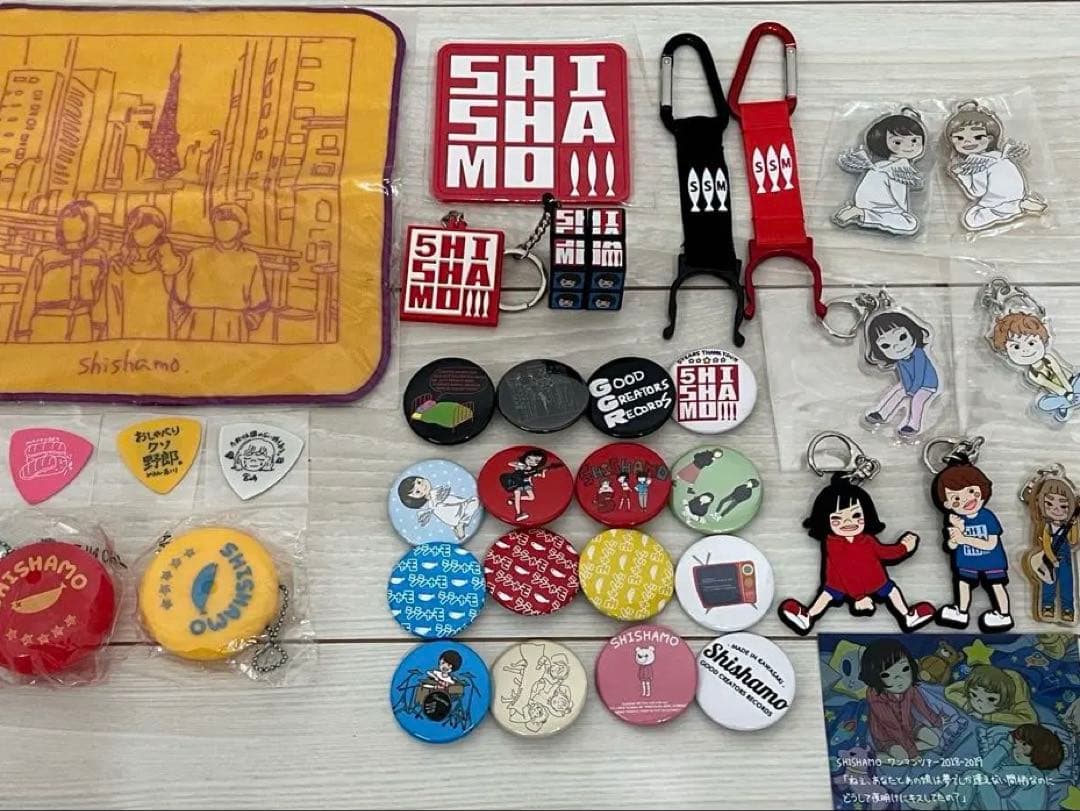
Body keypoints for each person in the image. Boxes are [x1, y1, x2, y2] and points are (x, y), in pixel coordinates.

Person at [778, 474, 935, 634]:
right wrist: (858, 597)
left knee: (892, 591)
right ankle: (808, 616)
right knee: (826, 595)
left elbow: (884, 553)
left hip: (875, 581)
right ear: (825, 520)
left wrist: (903, 548)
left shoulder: (867, 540)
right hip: (841, 584)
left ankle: (907, 615)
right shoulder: (832, 544)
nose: (848, 522)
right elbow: (843, 569)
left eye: (856, 515)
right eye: (837, 518)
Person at [931, 463, 1013, 631]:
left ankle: (1004, 615)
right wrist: (956, 537)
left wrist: (964, 538)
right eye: (956, 498)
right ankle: (961, 611)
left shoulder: (987, 516)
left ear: (982, 489)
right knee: (963, 584)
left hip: (992, 562)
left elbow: (991, 544)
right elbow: (951, 545)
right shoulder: (956, 520)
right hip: (967, 562)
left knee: (996, 586)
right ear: (947, 504)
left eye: (970, 491)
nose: (966, 500)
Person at [15, 200, 108, 343]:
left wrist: (99, 329)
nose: (69, 229)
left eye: (76, 225)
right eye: (66, 225)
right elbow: (29, 298)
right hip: (46, 324)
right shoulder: (45, 257)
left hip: (82, 326)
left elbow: (99, 299)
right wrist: (22, 332)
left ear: (89, 228)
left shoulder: (98, 257)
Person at [944, 102, 1046, 231]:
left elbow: (977, 192)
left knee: (971, 218)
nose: (968, 141)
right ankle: (1020, 203)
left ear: (990, 138)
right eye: (960, 138)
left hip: (998, 201)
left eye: (977, 137)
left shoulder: (978, 162)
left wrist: (961, 174)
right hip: (1017, 193)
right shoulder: (999, 155)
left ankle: (1017, 207)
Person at [174, 203, 268, 341]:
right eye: (219, 224)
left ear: (241, 227)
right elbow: (178, 295)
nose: (224, 228)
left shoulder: (251, 259)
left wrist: (247, 322)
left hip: (234, 324)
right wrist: (183, 318)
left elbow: (259, 301)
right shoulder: (196, 255)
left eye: (230, 224)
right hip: (195, 322)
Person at [834, 110, 926, 235]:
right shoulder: (899, 168)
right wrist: (904, 212)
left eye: (914, 141)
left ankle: (861, 212)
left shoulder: (879, 165)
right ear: (882, 141)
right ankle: (862, 214)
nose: (909, 146)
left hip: (869, 204)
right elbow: (899, 197)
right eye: (898, 142)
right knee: (910, 223)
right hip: (881, 208)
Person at [107, 205, 184, 340]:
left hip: (161, 331)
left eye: (152, 230)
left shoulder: (167, 263)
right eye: (141, 229)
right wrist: (115, 339)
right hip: (127, 333)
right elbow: (114, 307)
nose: (146, 235)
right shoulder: (118, 264)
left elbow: (176, 301)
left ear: (160, 232)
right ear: (132, 230)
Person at [859, 639, 943, 762]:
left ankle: (907, 748)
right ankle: (874, 756)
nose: (900, 679)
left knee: (935, 741)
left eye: (905, 669)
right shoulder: (875, 695)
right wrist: (911, 751)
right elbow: (891, 725)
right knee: (903, 757)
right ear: (875, 676)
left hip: (910, 726)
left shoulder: (910, 688)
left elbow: (922, 706)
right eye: (886, 675)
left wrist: (936, 720)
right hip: (887, 735)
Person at [990, 312, 1080, 421]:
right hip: (1058, 393)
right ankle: (1069, 403)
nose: (1026, 350)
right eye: (1016, 347)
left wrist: (1069, 390)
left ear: (1042, 339)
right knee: (1043, 404)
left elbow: (1059, 373)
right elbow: (1049, 385)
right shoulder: (1032, 374)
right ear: (1005, 352)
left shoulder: (1049, 358)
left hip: (1070, 383)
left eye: (1031, 343)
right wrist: (1065, 394)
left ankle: (1066, 405)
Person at [863, 311, 939, 437]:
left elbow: (920, 373)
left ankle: (913, 425)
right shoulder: (899, 361)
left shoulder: (919, 353)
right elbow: (904, 376)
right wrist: (907, 388)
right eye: (886, 345)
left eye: (902, 337)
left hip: (928, 384)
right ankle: (882, 413)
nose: (897, 347)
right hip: (911, 383)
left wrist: (912, 390)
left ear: (912, 331)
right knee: (897, 392)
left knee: (917, 400)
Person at [1022, 475, 1079, 623]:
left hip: (1066, 559)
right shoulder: (1047, 527)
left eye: (1063, 506)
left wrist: (1074, 525)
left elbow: (1073, 540)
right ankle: (1047, 607)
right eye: (1049, 504)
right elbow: (1046, 544)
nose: (1056, 509)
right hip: (1049, 558)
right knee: (1048, 583)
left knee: (1067, 583)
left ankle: (1068, 609)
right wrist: (1052, 559)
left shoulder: (1067, 525)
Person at [944, 665, 1037, 727]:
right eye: (974, 695)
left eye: (991, 699)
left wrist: (987, 717)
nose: (979, 703)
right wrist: (967, 704)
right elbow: (949, 690)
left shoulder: (1015, 699)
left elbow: (1030, 720)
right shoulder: (977, 684)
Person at [397, 476, 480, 542]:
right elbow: (450, 500)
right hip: (455, 512)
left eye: (419, 482)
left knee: (475, 501)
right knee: (475, 501)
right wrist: (464, 501)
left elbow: (449, 499)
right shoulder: (435, 496)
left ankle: (460, 524)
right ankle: (461, 524)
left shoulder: (433, 498)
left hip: (453, 515)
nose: (422, 487)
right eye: (417, 492)